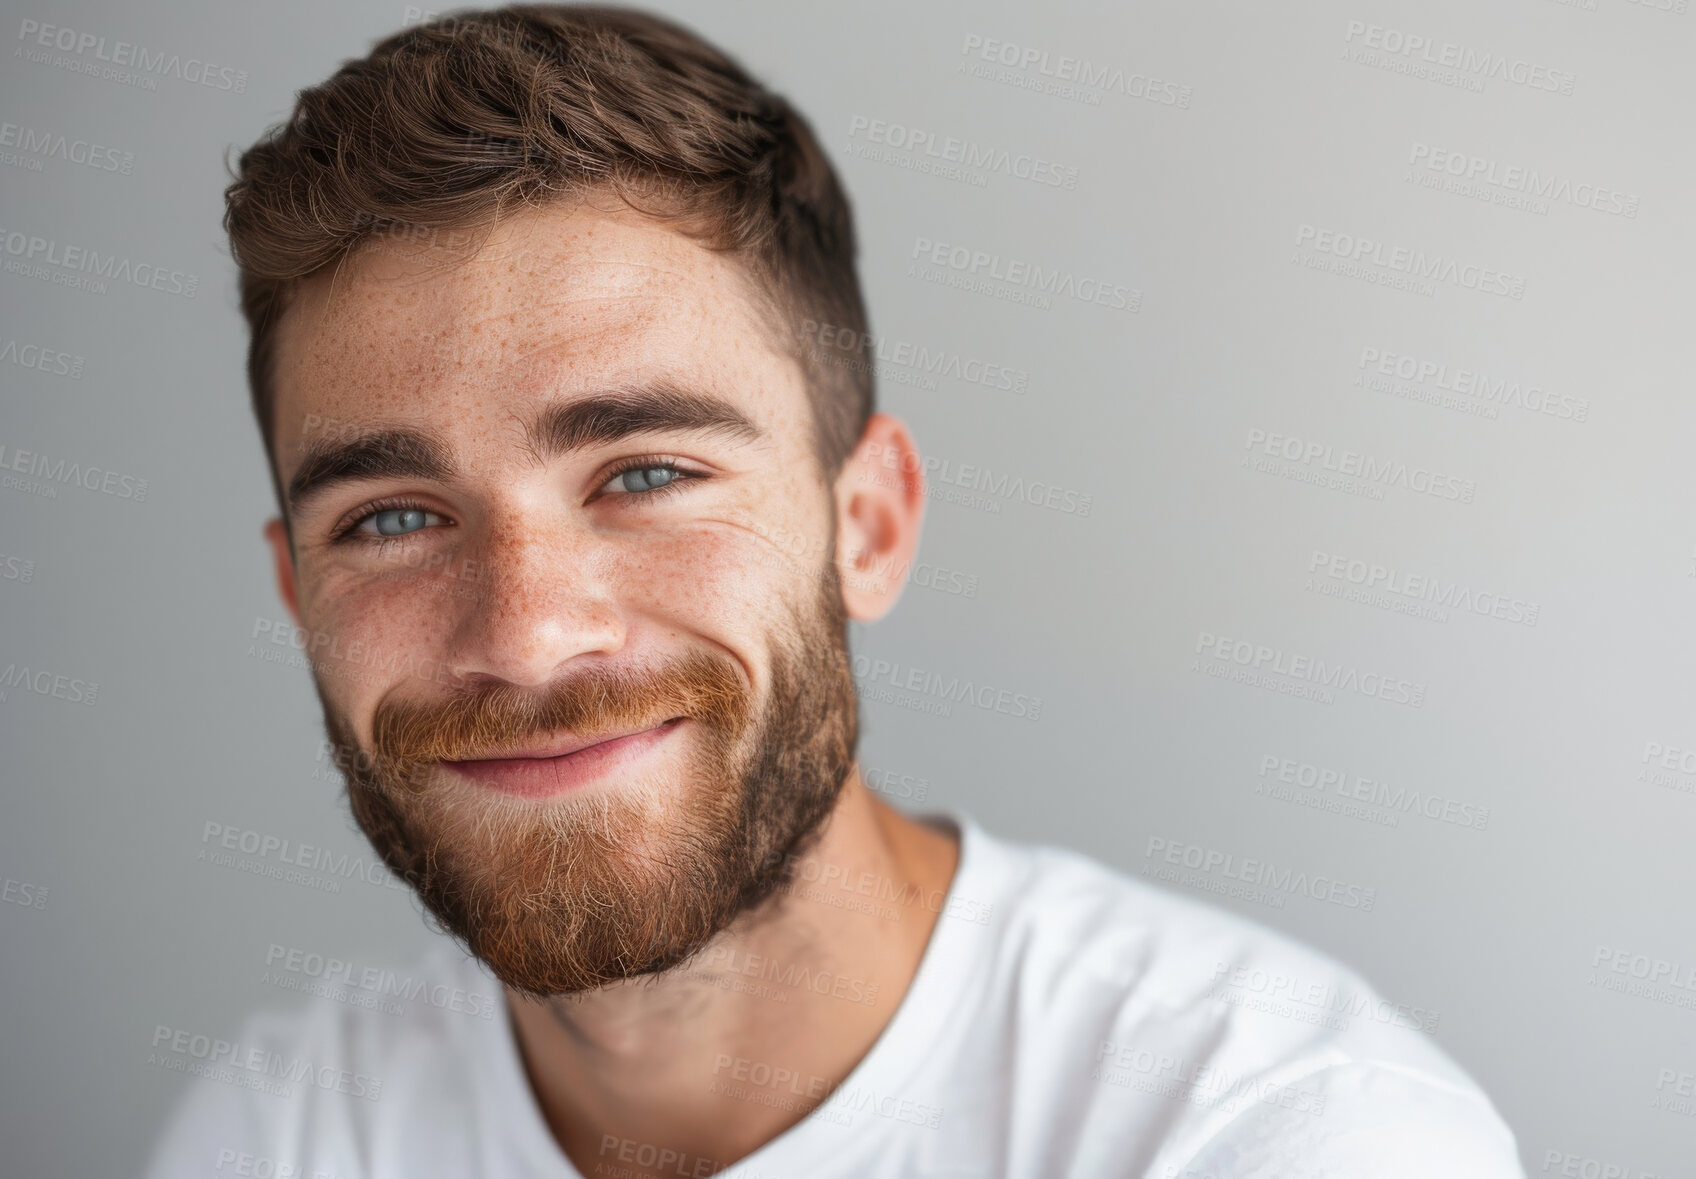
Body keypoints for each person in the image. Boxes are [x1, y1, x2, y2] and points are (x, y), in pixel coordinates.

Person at [147, 6, 1525, 1176]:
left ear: (866, 525)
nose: (525, 633)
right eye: (391, 517)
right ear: (294, 595)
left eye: (643, 474)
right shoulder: (287, 1135)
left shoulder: (1274, 1131)